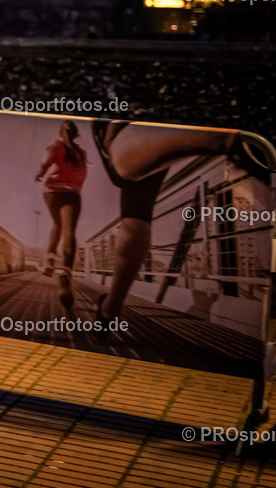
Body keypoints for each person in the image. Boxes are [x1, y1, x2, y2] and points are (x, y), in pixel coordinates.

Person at [91, 119, 273, 339]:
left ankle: (109, 311)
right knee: (135, 211)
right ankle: (109, 309)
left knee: (132, 204)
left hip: (124, 133)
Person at [35, 120, 87, 312]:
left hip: (51, 193)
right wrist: (75, 189)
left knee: (57, 223)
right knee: (69, 230)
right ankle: (65, 272)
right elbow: (82, 177)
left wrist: (39, 174)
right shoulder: (82, 154)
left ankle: (49, 260)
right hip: (72, 194)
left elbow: (47, 164)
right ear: (75, 134)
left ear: (60, 132)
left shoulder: (56, 147)